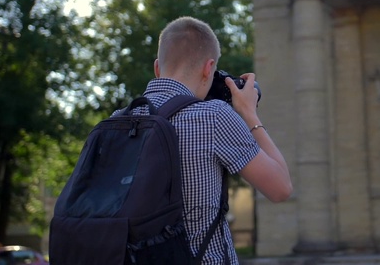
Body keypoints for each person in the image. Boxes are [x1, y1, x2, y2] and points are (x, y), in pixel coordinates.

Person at [120, 16, 292, 264]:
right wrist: (249, 114)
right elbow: (281, 188)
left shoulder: (118, 120)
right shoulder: (214, 117)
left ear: (158, 68)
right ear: (208, 68)